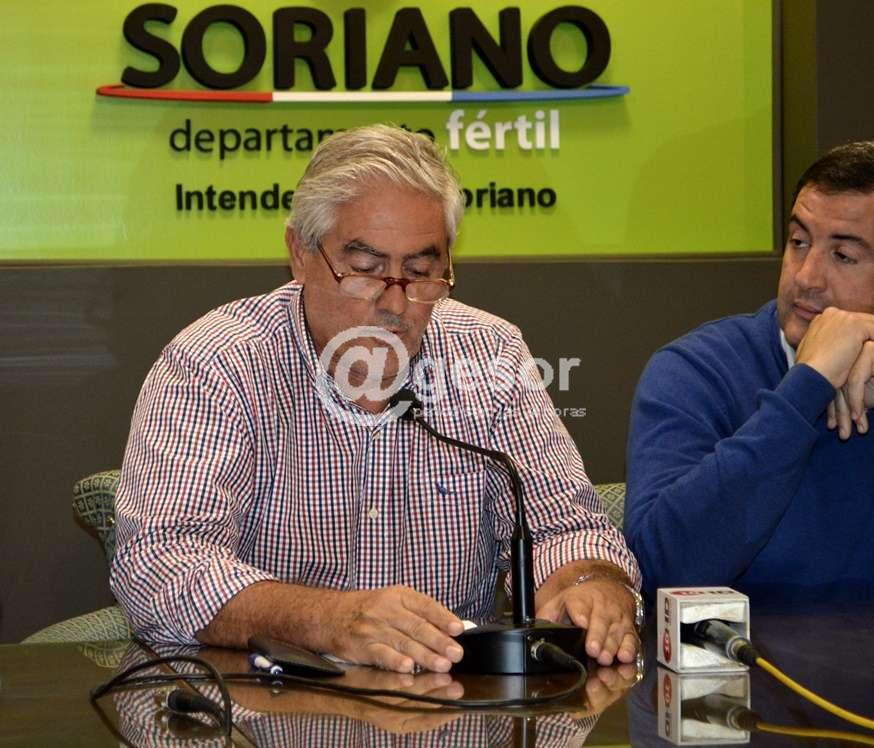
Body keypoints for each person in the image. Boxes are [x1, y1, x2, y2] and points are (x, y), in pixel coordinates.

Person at [111, 124, 641, 673]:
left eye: (420, 272)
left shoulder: (490, 353)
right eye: (365, 271)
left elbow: (565, 528)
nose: (395, 303)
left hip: (454, 701)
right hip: (273, 702)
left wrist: (590, 584)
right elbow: (159, 563)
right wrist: (327, 619)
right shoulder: (217, 364)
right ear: (299, 253)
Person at [625, 140, 874, 599]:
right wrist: (804, 389)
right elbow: (660, 570)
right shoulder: (697, 371)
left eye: (843, 256)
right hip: (748, 649)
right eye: (799, 242)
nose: (806, 277)